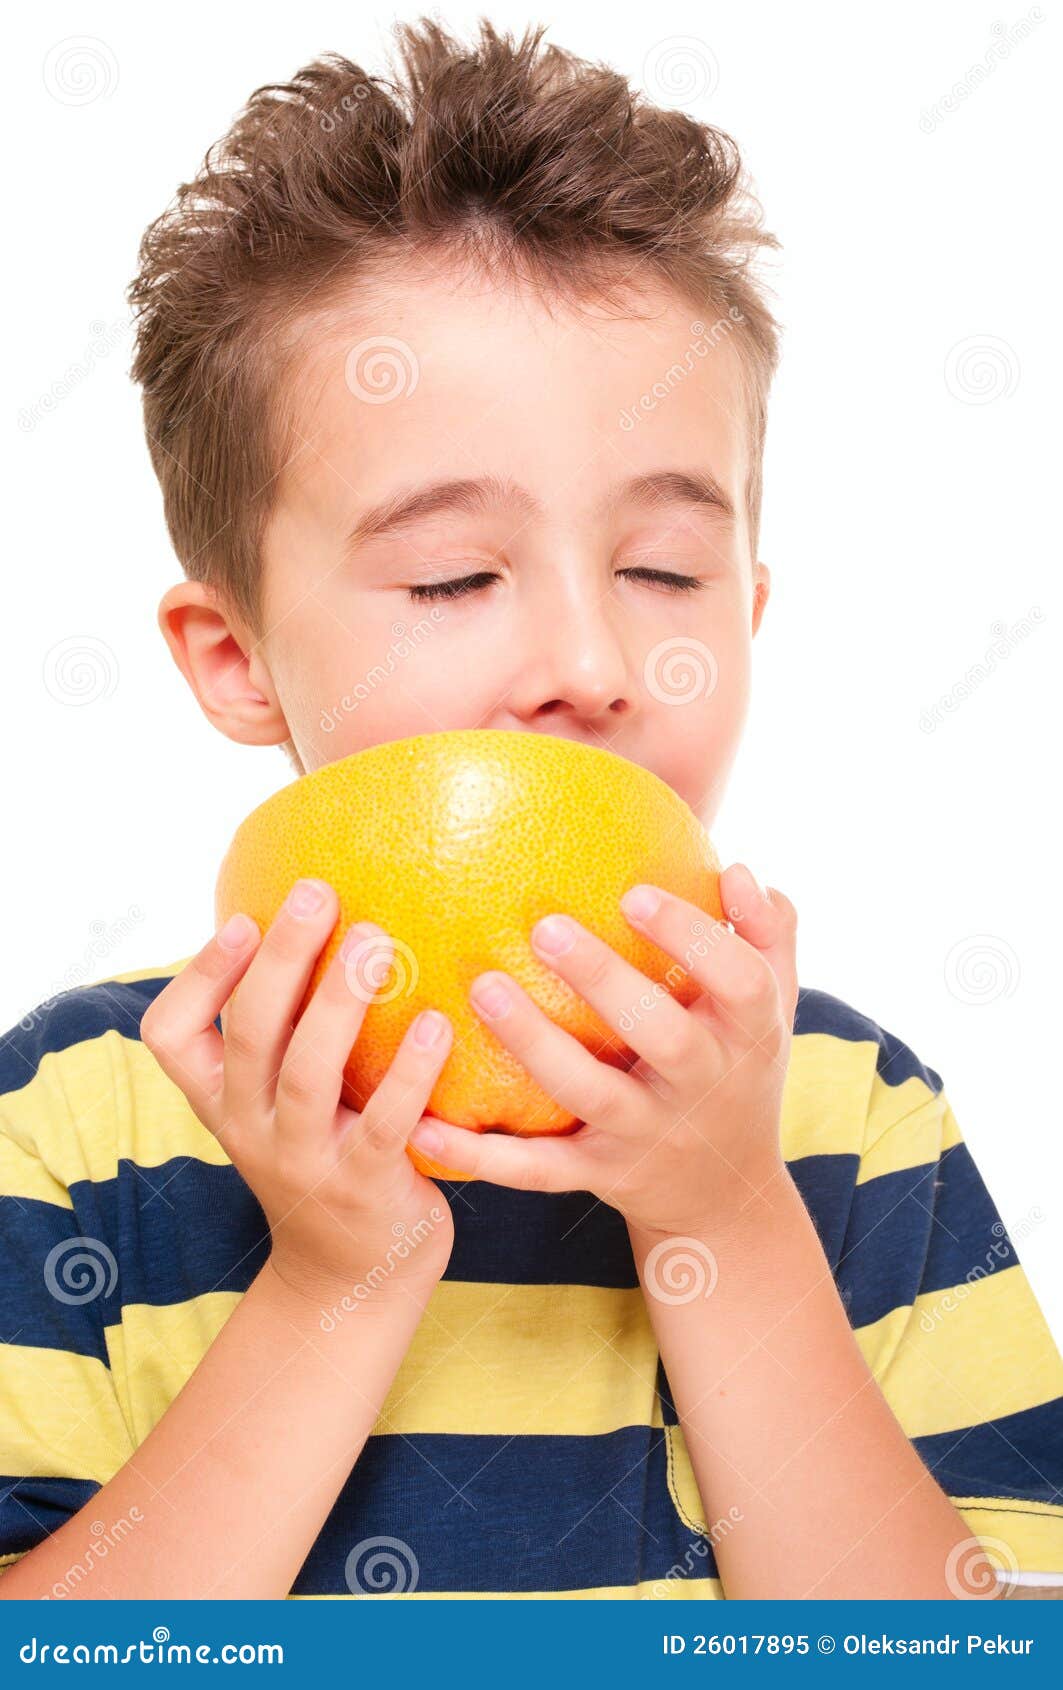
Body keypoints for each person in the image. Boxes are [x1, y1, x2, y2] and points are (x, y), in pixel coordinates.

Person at [2, 15, 1061, 1600]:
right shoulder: (82, 1122)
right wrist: (335, 1284)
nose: (589, 659)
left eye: (661, 570)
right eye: (453, 575)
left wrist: (730, 1219)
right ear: (237, 662)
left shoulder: (852, 1121)